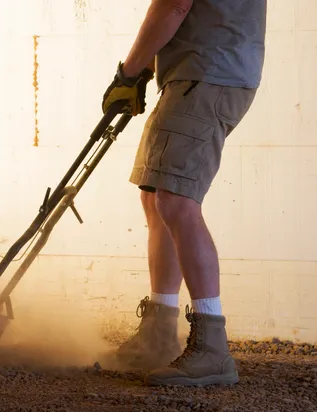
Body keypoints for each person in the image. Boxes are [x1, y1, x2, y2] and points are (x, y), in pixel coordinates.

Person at [101, 0, 267, 386]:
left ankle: (212, 348)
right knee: (157, 197)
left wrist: (129, 72)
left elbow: (173, 6)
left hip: (206, 74)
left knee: (176, 200)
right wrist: (144, 70)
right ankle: (159, 331)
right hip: (197, 74)